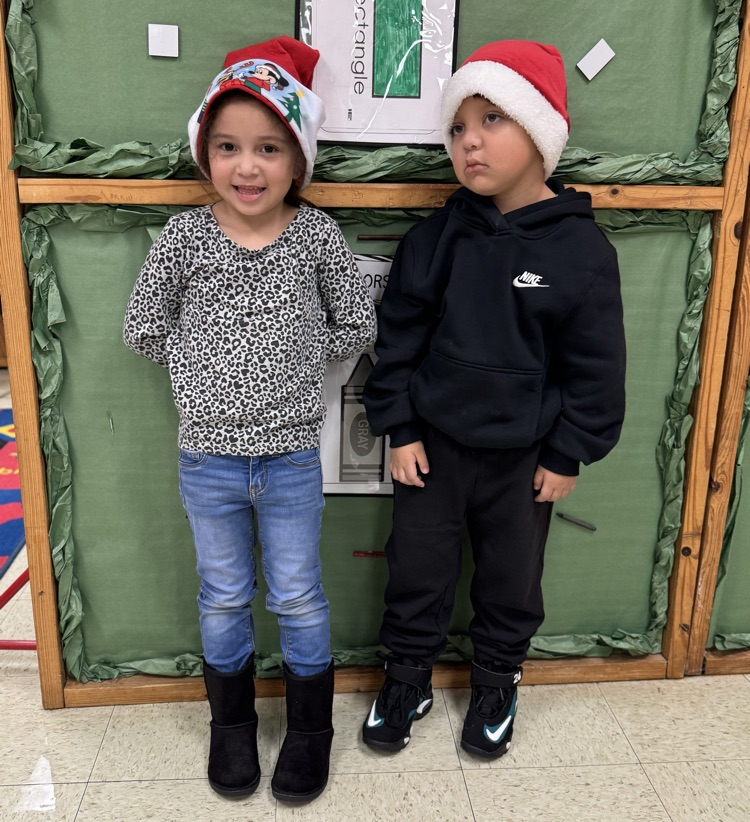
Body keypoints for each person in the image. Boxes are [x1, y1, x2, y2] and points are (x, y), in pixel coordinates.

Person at [123, 36, 376, 802]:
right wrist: (203, 368)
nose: (248, 165)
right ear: (206, 154)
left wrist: (304, 359)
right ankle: (230, 728)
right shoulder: (185, 237)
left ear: (297, 158)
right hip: (208, 459)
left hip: (292, 456)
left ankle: (309, 733)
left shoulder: (316, 235)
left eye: (269, 147)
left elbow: (357, 323)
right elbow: (142, 327)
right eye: (228, 146)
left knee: (298, 595)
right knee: (225, 594)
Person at [361, 40, 626, 758]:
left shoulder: (583, 252)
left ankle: (497, 680)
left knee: (512, 579)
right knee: (416, 569)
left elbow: (597, 367)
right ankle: (407, 677)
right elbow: (399, 340)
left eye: (492, 120)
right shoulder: (436, 239)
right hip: (433, 450)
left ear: (539, 133)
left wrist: (571, 450)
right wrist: (401, 426)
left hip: (526, 460)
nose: (469, 141)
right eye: (457, 128)